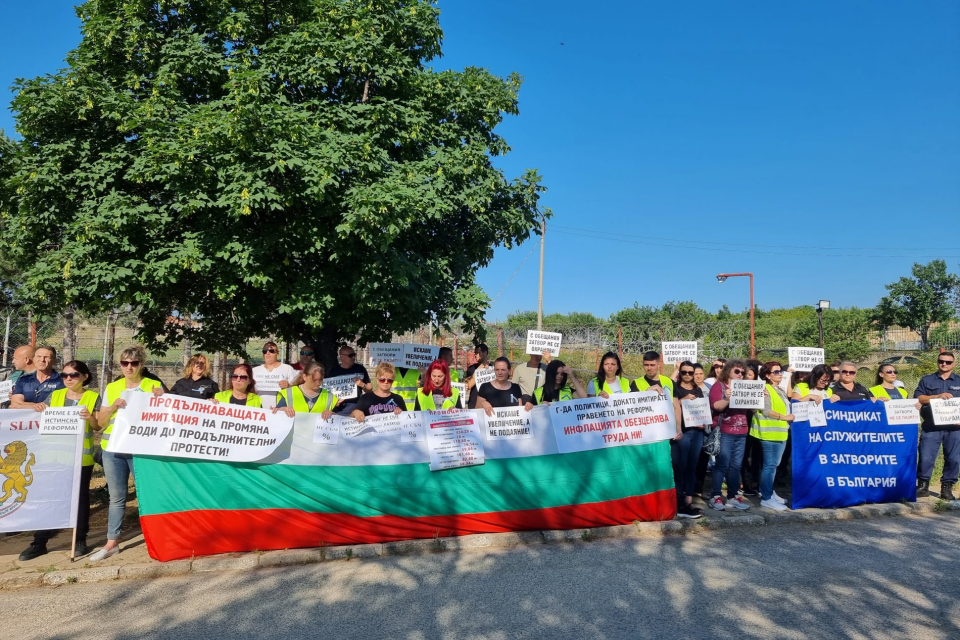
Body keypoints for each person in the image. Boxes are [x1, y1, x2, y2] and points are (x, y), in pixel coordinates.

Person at [17, 360, 100, 561]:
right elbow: (38, 413)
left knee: (80, 501)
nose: (68, 379)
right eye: (64, 375)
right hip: (53, 458)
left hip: (81, 458)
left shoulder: (93, 397)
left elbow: (97, 426)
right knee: (49, 500)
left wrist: (89, 418)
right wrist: (36, 407)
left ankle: (80, 540)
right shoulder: (55, 395)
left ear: (85, 377)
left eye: (73, 375)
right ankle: (40, 542)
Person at [90, 346, 164, 562]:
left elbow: (166, 416)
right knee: (117, 497)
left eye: (134, 363)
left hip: (140, 448)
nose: (129, 367)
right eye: (125, 363)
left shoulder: (154, 385)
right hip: (112, 449)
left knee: (147, 494)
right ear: (120, 365)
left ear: (141, 364)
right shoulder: (112, 387)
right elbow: (101, 423)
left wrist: (162, 398)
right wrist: (112, 407)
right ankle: (112, 542)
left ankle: (155, 538)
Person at [914, 352, 960, 499]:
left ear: (953, 364)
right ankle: (923, 486)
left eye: (948, 362)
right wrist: (936, 396)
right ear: (938, 362)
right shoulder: (927, 380)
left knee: (953, 458)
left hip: (954, 428)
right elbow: (919, 398)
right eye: (941, 361)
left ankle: (947, 488)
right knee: (926, 457)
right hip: (931, 426)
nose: (944, 364)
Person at [709, 359, 752, 511]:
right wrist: (727, 398)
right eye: (737, 371)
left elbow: (753, 410)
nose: (740, 375)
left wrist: (761, 397)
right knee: (722, 464)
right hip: (725, 432)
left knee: (736, 466)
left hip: (742, 432)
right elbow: (716, 406)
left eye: (742, 372)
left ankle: (733, 496)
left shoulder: (746, 388)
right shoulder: (719, 386)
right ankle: (715, 496)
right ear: (728, 371)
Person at [752, 362, 793, 512]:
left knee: (773, 465)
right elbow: (766, 411)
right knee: (770, 465)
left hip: (779, 432)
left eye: (780, 371)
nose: (780, 373)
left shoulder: (779, 389)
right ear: (767, 376)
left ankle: (769, 492)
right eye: (776, 372)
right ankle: (766, 498)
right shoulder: (766, 389)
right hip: (769, 432)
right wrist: (785, 417)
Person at [672, 361, 705, 519]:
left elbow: (702, 409)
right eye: (684, 372)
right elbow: (671, 403)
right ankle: (679, 503)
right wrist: (683, 399)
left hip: (697, 432)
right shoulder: (675, 387)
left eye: (690, 372)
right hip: (682, 432)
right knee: (680, 467)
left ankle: (689, 501)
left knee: (692, 466)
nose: (687, 375)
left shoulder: (698, 389)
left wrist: (704, 421)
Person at [10, 345, 64, 409]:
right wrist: (34, 406)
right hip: (28, 418)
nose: (42, 360)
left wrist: (25, 405)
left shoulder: (62, 380)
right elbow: (14, 405)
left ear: (54, 360)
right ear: (34, 359)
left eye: (46, 357)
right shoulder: (23, 380)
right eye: (39, 356)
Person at [328, 345, 372, 415]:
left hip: (357, 409)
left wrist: (362, 385)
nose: (353, 358)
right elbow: (328, 392)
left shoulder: (360, 369)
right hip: (339, 411)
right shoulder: (333, 372)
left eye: (354, 355)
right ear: (341, 356)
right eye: (350, 355)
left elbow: (369, 389)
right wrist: (334, 401)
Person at [252, 342, 298, 408]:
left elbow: (297, 390)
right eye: (265, 351)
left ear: (277, 353)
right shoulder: (255, 370)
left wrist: (289, 386)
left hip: (281, 410)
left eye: (271, 351)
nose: (268, 353)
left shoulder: (287, 368)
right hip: (259, 410)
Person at [464, 343, 491, 409]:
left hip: (490, 403)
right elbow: (468, 385)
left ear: (485, 353)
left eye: (478, 353)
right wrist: (482, 366)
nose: (475, 355)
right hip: (474, 403)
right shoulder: (471, 368)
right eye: (475, 353)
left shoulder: (493, 368)